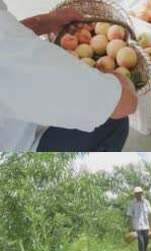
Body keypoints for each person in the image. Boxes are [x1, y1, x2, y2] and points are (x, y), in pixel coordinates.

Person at [0, 1, 138, 151]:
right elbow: (125, 103)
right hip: (17, 148)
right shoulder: (11, 52)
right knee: (113, 119)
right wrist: (121, 81)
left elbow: (9, 32)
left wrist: (44, 22)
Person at [126, 187, 151, 251]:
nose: (138, 195)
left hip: (146, 225)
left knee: (146, 240)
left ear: (142, 193)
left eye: (139, 193)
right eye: (136, 193)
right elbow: (130, 215)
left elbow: (149, 214)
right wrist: (130, 226)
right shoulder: (131, 203)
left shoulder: (146, 202)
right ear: (134, 195)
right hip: (137, 226)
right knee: (141, 241)